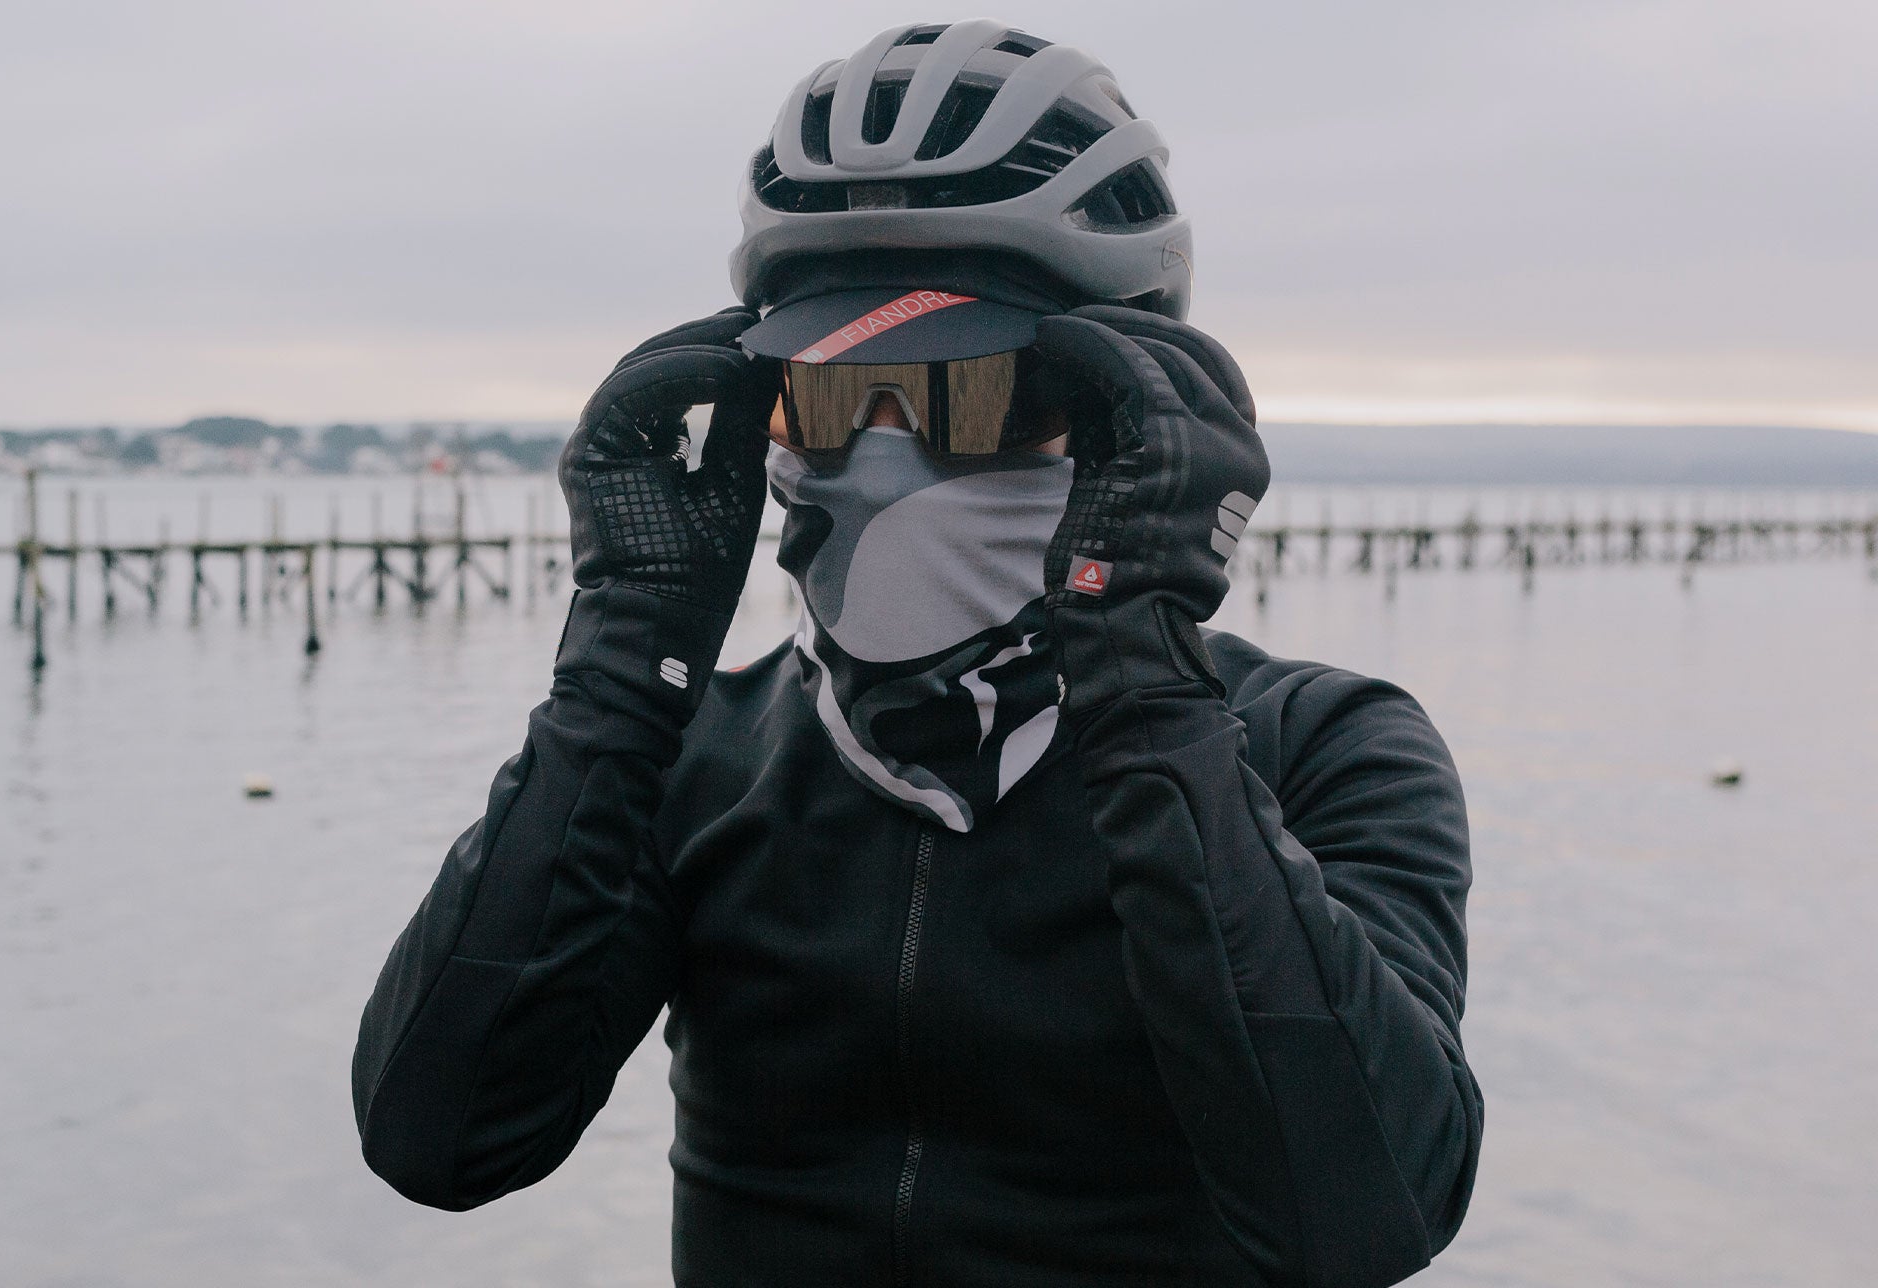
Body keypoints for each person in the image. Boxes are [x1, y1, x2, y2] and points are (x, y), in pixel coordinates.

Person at [351, 21, 1481, 1287]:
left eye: (973, 394)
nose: (886, 455)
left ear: (1123, 416)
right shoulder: (693, 764)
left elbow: (1371, 1209)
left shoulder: (1322, 749)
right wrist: (628, 653)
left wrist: (1145, 677)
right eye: (826, 396)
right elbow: (440, 1141)